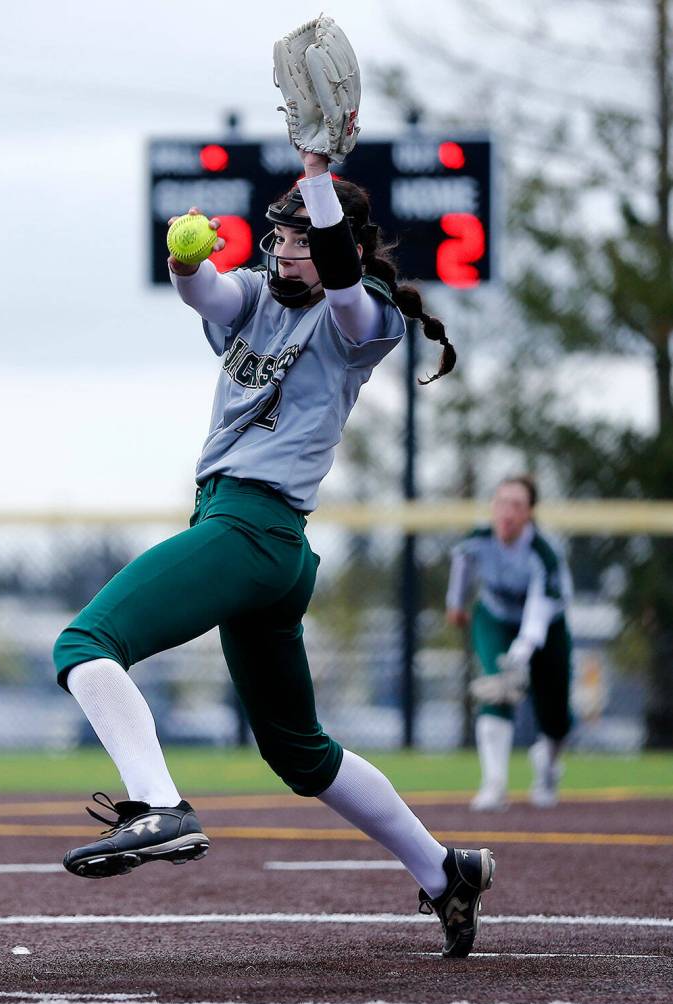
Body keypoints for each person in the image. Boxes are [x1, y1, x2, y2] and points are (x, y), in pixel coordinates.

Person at [52, 144, 494, 958]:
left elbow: (339, 282)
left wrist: (318, 173)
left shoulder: (364, 314)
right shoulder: (257, 293)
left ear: (344, 247)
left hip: (252, 530)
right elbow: (207, 289)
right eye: (279, 237)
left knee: (84, 642)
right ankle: (444, 870)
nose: (280, 249)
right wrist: (185, 259)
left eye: (296, 238)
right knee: (298, 752)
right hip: (253, 542)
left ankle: (158, 804)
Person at [446, 475, 573, 811]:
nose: (507, 512)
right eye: (501, 502)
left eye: (517, 505)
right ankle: (494, 784)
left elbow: (538, 609)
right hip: (495, 618)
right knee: (497, 687)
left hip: (547, 626)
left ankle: (547, 766)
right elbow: (462, 564)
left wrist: (522, 651)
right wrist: (456, 604)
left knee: (556, 711)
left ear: (530, 512)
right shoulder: (478, 539)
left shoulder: (543, 554)